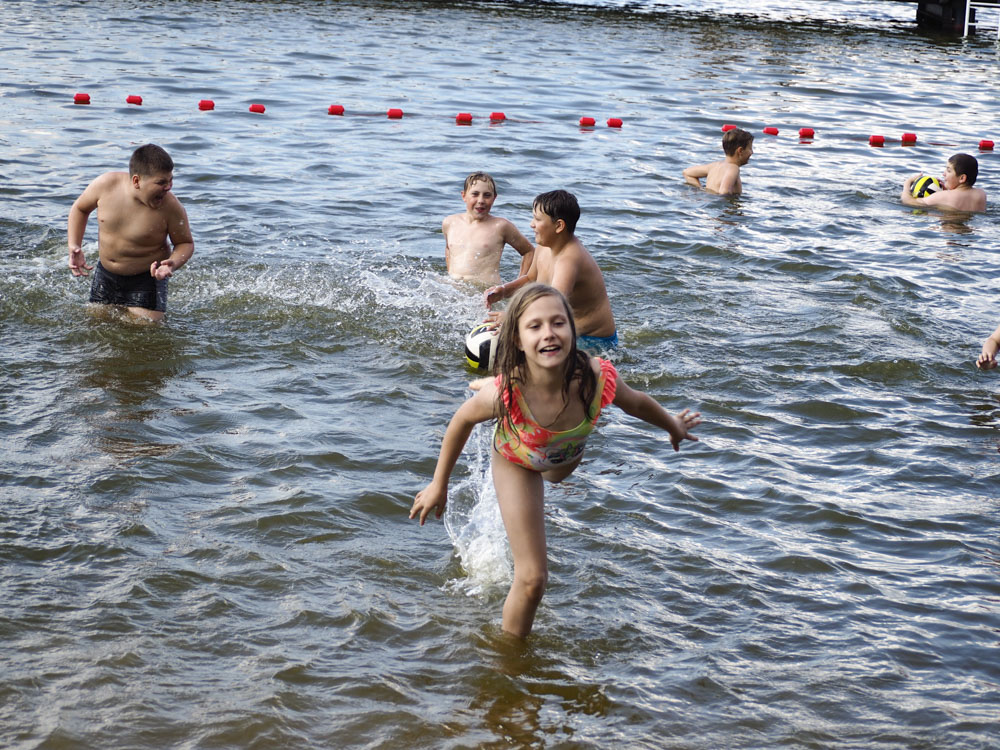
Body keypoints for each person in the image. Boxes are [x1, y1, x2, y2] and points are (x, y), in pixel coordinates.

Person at [410, 283, 700, 638]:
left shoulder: (595, 377)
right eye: (535, 326)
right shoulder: (507, 393)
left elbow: (637, 402)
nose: (548, 333)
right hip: (518, 460)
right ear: (517, 340)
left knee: (553, 473)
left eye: (558, 323)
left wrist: (673, 425)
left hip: (562, 462)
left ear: (572, 331)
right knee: (533, 580)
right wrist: (439, 484)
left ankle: (492, 381)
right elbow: (461, 421)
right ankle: (508, 658)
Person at [68, 143, 194, 322]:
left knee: (145, 330)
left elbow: (185, 243)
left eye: (170, 180)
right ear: (136, 181)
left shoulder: (171, 207)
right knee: (95, 324)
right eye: (161, 182)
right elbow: (80, 209)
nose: (168, 188)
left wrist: (171, 265)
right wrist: (74, 245)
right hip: (106, 275)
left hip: (147, 279)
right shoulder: (106, 186)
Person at [484, 190, 618, 352]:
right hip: (564, 330)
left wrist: (512, 317)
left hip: (593, 341)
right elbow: (531, 279)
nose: (531, 224)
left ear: (559, 226)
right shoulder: (544, 246)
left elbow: (552, 305)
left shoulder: (569, 260)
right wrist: (504, 291)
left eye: (537, 219)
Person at [443, 172, 534, 286]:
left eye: (487, 195)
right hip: (454, 289)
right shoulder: (450, 223)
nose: (481, 200)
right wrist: (450, 275)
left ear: (494, 198)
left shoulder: (501, 226)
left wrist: (518, 284)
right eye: (475, 194)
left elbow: (529, 251)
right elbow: (449, 249)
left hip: (485, 290)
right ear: (464, 196)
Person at [901, 153, 986, 212]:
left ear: (962, 178)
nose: (944, 174)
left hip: (949, 230)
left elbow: (909, 202)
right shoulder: (981, 194)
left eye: (948, 171)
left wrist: (907, 183)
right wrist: (948, 191)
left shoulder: (944, 196)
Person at [682, 127, 754, 196]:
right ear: (740, 151)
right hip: (720, 202)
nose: (752, 152)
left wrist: (700, 190)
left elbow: (687, 173)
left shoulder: (714, 166)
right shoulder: (733, 168)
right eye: (750, 148)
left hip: (709, 200)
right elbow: (724, 192)